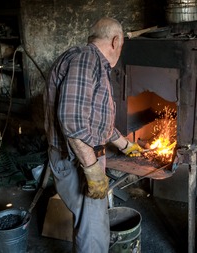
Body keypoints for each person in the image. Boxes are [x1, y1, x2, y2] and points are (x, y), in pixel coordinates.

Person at [43, 17, 142, 252]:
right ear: (116, 41)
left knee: (92, 223)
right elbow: (73, 122)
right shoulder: (87, 59)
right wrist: (92, 169)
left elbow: (96, 121)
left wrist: (125, 144)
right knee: (93, 228)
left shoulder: (89, 61)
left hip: (82, 157)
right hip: (77, 161)